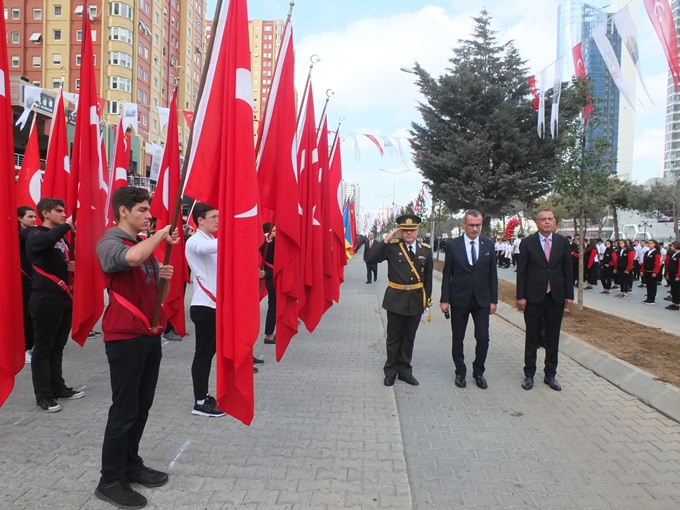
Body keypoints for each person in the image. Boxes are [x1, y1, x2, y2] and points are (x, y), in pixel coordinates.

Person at [95, 186, 178, 509]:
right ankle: (110, 479)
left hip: (147, 333)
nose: (148, 215)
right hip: (124, 337)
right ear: (123, 212)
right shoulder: (112, 241)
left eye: (148, 210)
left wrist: (164, 277)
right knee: (124, 410)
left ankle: (130, 464)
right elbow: (129, 260)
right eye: (142, 210)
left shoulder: (141, 244)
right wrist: (158, 236)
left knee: (141, 406)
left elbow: (145, 285)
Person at [25, 198, 84, 412]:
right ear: (45, 213)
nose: (62, 215)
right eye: (58, 211)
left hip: (63, 297)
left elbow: (61, 259)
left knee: (57, 347)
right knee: (43, 348)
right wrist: (66, 226)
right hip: (44, 298)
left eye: (63, 211)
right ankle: (43, 395)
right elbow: (46, 241)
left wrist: (73, 266)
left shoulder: (63, 241)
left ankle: (58, 387)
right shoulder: (35, 234)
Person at [368, 214, 433, 387]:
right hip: (395, 300)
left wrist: (427, 301)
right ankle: (390, 371)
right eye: (405, 230)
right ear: (400, 231)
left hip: (416, 301)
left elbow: (428, 279)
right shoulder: (392, 247)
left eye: (412, 230)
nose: (409, 233)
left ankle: (405, 371)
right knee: (394, 338)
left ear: (418, 230)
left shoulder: (425, 250)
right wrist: (387, 239)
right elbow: (370, 258)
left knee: (409, 338)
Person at [439, 210, 498, 389]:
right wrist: (444, 299)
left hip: (482, 300)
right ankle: (460, 372)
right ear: (464, 224)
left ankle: (478, 372)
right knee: (458, 337)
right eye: (471, 225)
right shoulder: (453, 245)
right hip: (459, 299)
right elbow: (447, 273)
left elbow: (492, 275)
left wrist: (494, 300)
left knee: (483, 337)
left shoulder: (488, 244)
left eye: (478, 225)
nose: (474, 228)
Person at [516, 209, 573, 391]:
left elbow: (568, 271)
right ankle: (529, 374)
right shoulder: (528, 243)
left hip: (555, 296)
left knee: (553, 336)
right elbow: (522, 272)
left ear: (554, 222)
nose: (547, 222)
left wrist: (569, 295)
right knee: (532, 336)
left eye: (550, 219)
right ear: (537, 223)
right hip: (533, 297)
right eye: (543, 219)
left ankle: (550, 375)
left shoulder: (563, 242)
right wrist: (521, 296)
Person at [184, 203, 228, 418]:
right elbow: (205, 250)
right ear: (200, 220)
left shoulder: (211, 239)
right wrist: (235, 233)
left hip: (214, 305)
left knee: (209, 353)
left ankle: (204, 395)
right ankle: (199, 402)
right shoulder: (195, 241)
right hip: (204, 306)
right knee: (202, 355)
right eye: (213, 217)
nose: (218, 220)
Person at [18, 206, 37, 363]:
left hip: (33, 278)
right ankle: (25, 347)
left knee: (33, 313)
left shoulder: (33, 232)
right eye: (29, 216)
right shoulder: (20, 234)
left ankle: (32, 344)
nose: (33, 219)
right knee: (24, 314)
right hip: (21, 279)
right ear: (20, 218)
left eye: (34, 216)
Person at [259, 223, 277, 345]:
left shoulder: (270, 243)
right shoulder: (267, 245)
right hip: (272, 278)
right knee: (273, 307)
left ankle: (271, 333)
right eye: (274, 231)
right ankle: (269, 335)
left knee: (275, 307)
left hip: (272, 276)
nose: (276, 233)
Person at [641, 240, 661, 305]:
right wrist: (642, 270)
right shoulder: (647, 252)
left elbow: (657, 264)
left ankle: (652, 299)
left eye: (651, 243)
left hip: (652, 271)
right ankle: (648, 298)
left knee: (653, 285)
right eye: (649, 243)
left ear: (654, 244)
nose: (649, 244)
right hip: (646, 271)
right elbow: (644, 263)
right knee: (648, 285)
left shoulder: (657, 253)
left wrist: (655, 272)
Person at [665, 241, 680, 310]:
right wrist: (667, 273)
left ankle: (677, 304)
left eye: (672, 246)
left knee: (677, 289)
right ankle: (673, 302)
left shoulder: (679, 255)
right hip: (671, 273)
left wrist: (678, 276)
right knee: (673, 289)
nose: (671, 247)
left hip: (676, 274)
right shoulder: (673, 254)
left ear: (676, 246)